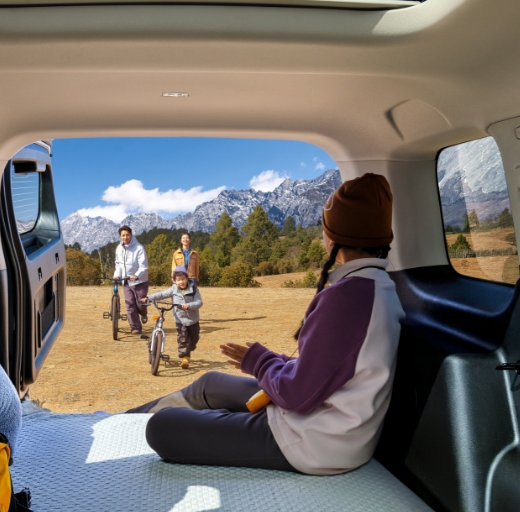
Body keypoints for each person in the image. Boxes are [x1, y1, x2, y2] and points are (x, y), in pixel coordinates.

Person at [129, 173, 404, 476]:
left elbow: (296, 395)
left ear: (332, 239)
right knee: (209, 382)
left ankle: (128, 421)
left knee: (161, 428)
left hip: (313, 440)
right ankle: (129, 417)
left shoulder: (347, 299)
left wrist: (261, 362)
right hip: (322, 420)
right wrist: (273, 361)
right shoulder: (376, 288)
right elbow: (331, 368)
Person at [142, 265, 202, 369]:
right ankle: (184, 358)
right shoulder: (174, 289)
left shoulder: (194, 289)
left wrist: (188, 306)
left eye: (183, 279)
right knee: (183, 338)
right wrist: (149, 297)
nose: (181, 282)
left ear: (187, 278)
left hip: (193, 320)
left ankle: (189, 349)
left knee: (194, 338)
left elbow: (199, 302)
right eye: (178, 280)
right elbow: (162, 294)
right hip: (180, 319)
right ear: (174, 281)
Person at [113, 224, 149, 337]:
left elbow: (143, 266)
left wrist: (137, 275)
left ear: (131, 235)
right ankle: (135, 327)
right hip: (126, 281)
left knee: (140, 304)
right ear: (120, 236)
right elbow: (118, 264)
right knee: (130, 305)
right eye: (123, 235)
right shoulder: (119, 248)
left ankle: (143, 312)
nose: (125, 237)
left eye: (127, 235)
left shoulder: (139, 248)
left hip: (140, 281)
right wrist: (117, 275)